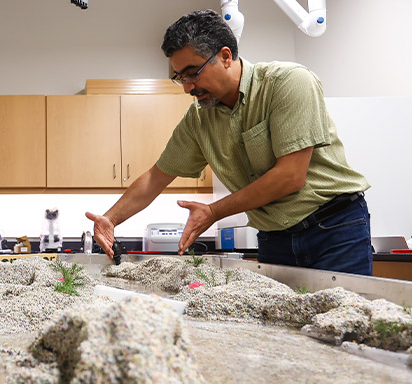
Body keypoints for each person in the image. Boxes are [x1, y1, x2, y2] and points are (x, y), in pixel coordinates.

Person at [86, 9, 372, 275]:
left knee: (342, 322)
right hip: (274, 237)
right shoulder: (199, 119)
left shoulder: (288, 83)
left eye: (192, 73)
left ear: (225, 56)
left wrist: (212, 212)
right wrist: (110, 219)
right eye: (179, 77)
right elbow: (156, 177)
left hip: (334, 228)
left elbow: (290, 176)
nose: (187, 87)